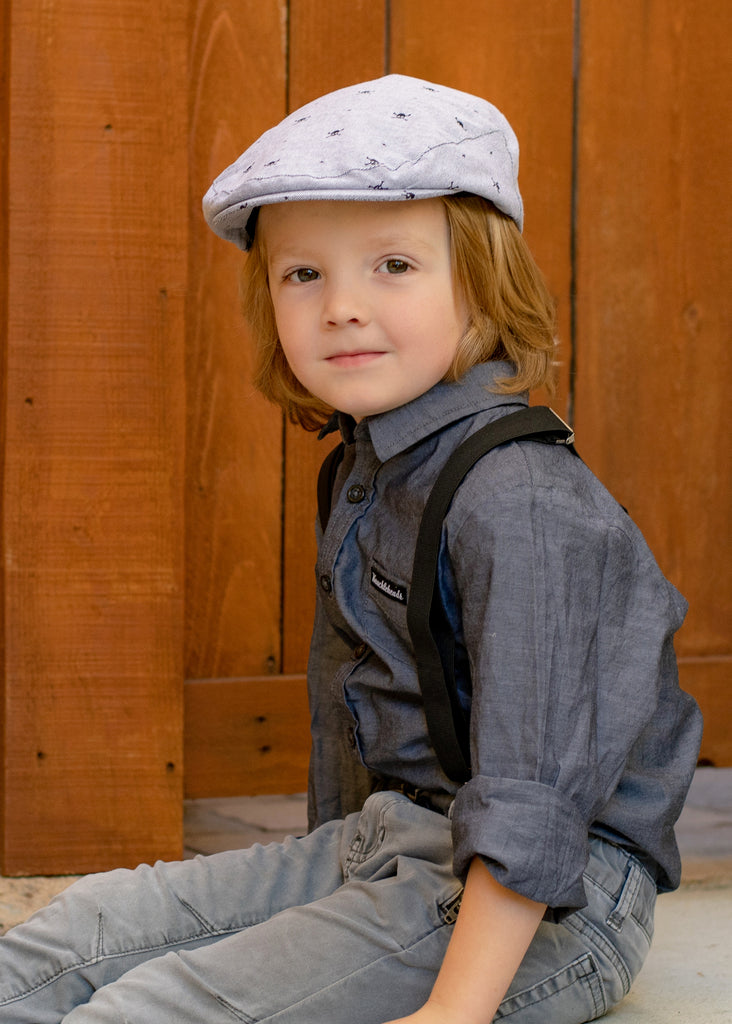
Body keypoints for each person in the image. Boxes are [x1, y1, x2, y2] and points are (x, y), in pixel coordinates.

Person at [0, 74, 702, 1024]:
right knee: (68, 942)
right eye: (303, 275)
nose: (340, 307)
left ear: (484, 282)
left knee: (153, 1007)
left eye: (393, 265)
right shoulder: (369, 469)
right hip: (396, 843)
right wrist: (316, 916)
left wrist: (450, 1013)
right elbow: (350, 714)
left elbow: (533, 800)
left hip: (554, 903)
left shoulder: (522, 502)